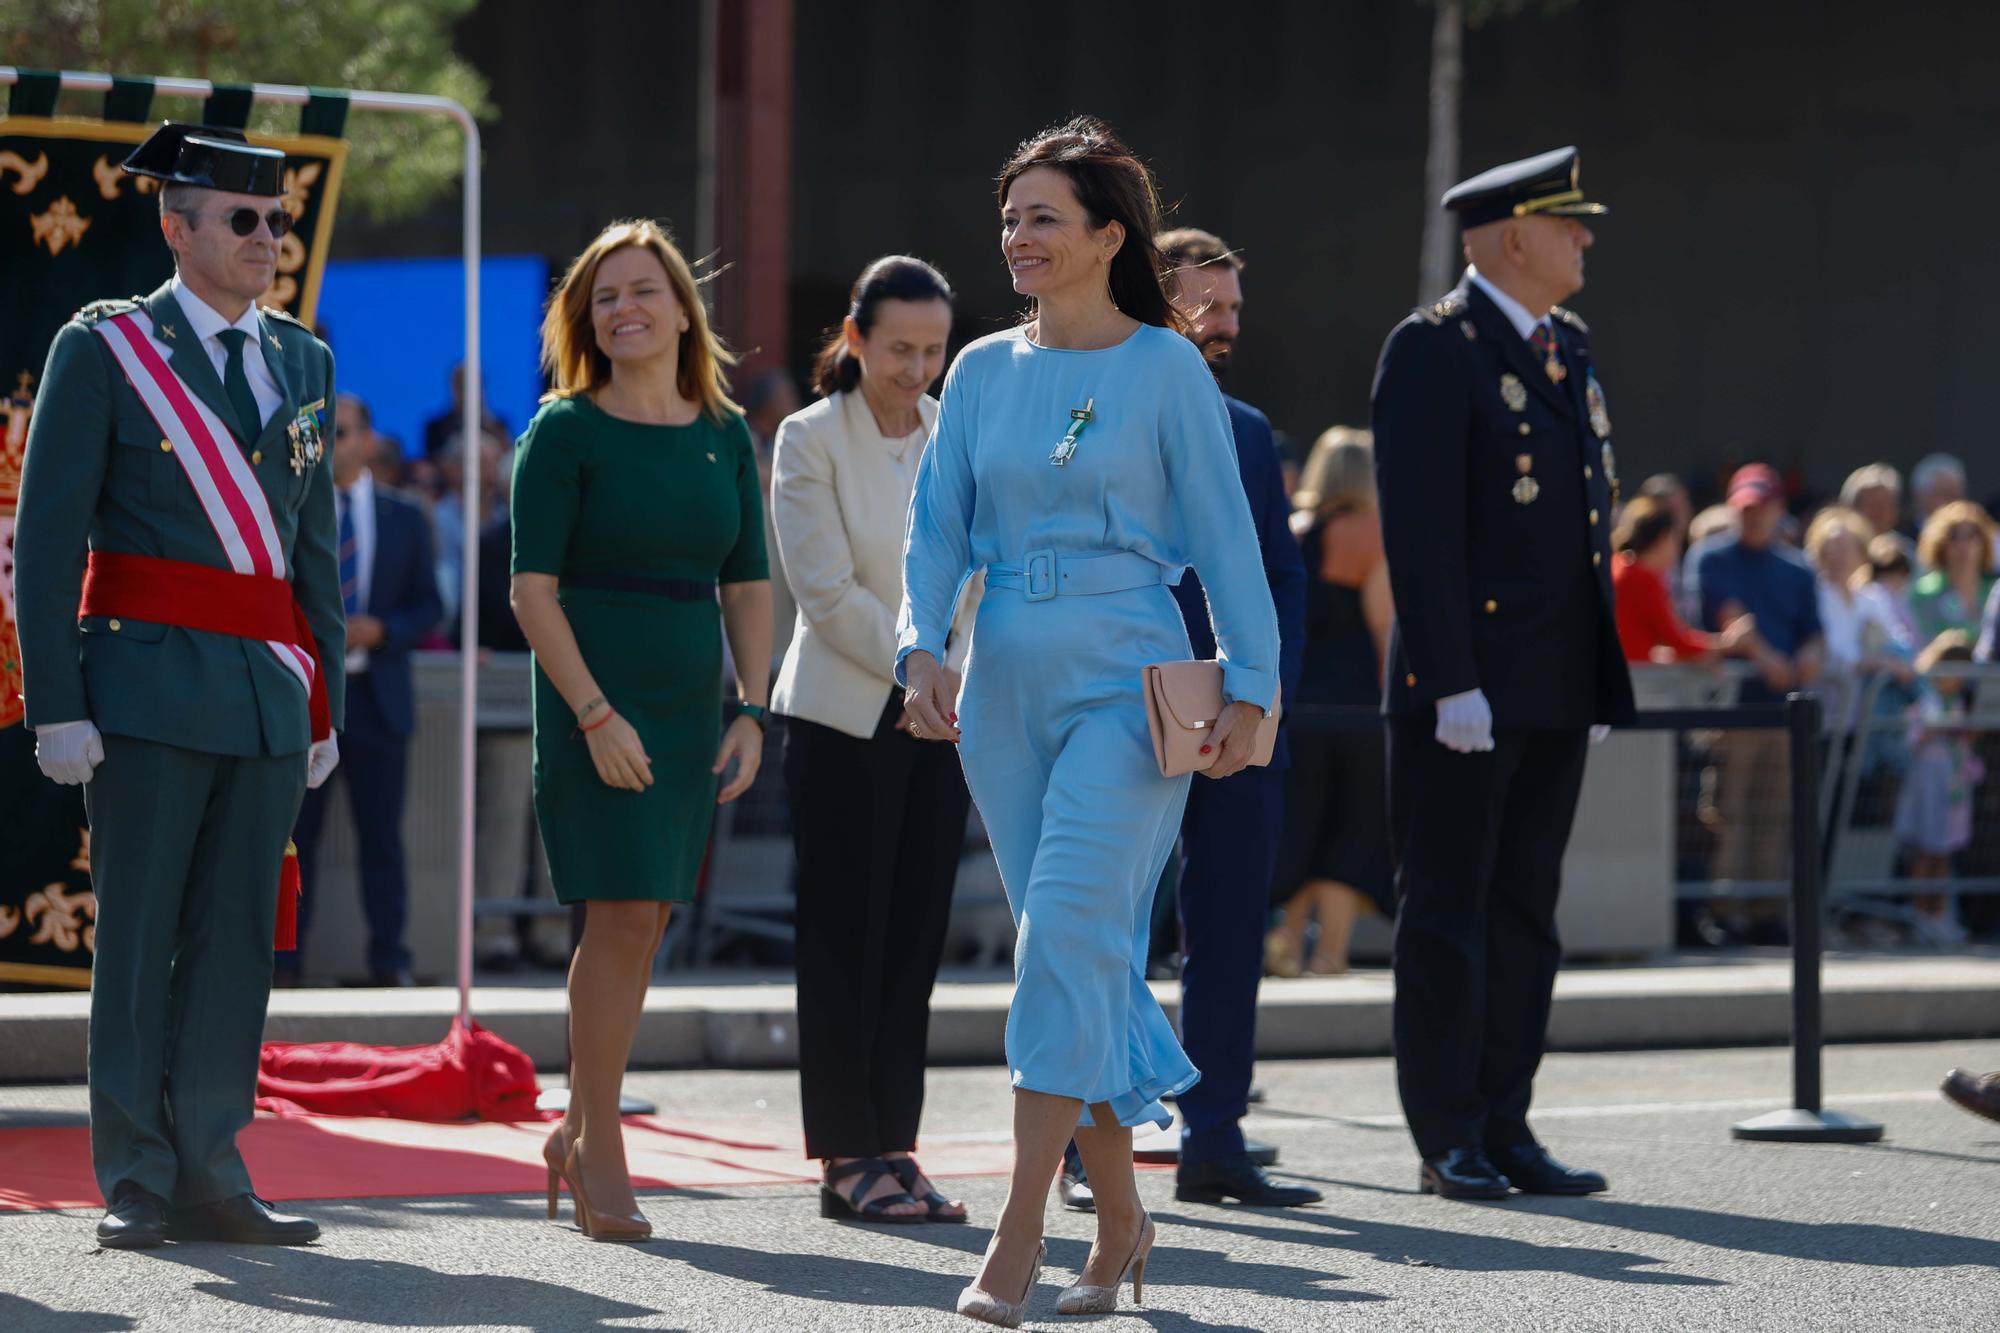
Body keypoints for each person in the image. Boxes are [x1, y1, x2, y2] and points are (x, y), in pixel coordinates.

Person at [898, 117, 1280, 1323]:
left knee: (1061, 926)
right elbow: (937, 526)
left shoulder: (1165, 367)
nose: (1016, 237)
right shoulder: (977, 370)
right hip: (1002, 674)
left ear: (1109, 235)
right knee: (1078, 952)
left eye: (1042, 217)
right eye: (1009, 216)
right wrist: (919, 645)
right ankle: (1122, 1219)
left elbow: (1224, 536)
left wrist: (1253, 682)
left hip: (1130, 670)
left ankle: (1020, 1232)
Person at [13, 123, 343, 1247]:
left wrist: (322, 701)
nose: (268, 239)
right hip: (145, 686)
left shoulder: (303, 359)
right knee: (141, 932)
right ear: (177, 226)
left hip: (261, 693)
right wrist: (55, 699)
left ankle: (212, 1164)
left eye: (279, 220)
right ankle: (138, 1176)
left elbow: (316, 554)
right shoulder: (104, 350)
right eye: (243, 220)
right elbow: (46, 543)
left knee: (237, 938)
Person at [1371, 146, 1634, 1202]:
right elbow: (1420, 529)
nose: (1585, 239)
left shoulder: (1565, 344)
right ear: (1511, 237)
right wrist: (1449, 678)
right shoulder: (1435, 349)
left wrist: (1588, 665)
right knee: (1445, 909)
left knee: (1526, 909)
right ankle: (1447, 1133)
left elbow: (1580, 527)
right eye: (1568, 224)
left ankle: (1506, 1119)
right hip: (1464, 689)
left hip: (1550, 681)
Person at [510, 219, 773, 1242]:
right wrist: (592, 712)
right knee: (618, 913)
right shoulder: (563, 430)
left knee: (648, 918)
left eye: (641, 291)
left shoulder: (722, 431)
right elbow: (532, 594)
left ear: (679, 308)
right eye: (603, 297)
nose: (624, 308)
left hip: (685, 701)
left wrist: (749, 707)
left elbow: (746, 585)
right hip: (592, 695)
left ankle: (577, 1129)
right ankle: (598, 1139)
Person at [769, 255, 979, 1223]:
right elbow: (822, 588)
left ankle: (895, 1142)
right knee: (843, 940)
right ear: (854, 339)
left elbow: (977, 573)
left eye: (933, 350)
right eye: (898, 347)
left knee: (911, 944)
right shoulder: (808, 438)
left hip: (939, 718)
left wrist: (949, 675)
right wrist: (916, 667)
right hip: (845, 716)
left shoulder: (954, 431)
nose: (916, 368)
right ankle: (844, 1153)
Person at [279, 393, 442, 987]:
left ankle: (390, 961)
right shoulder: (295, 510)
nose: (329, 445)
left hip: (378, 700)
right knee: (298, 838)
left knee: (382, 839)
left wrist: (385, 630)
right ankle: (287, 963)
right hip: (310, 701)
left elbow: (430, 604)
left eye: (341, 432)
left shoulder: (405, 515)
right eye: (322, 434)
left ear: (369, 440)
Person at [1268, 427, 1394, 977]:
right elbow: (1384, 630)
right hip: (1358, 706)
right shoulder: (1373, 534)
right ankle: (1330, 954)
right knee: (1352, 830)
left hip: (1301, 703)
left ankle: (1288, 941)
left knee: (1302, 824)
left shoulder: (1294, 529)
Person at [1690, 464, 1823, 932]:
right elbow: (1728, 619)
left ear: (1778, 510)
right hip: (1732, 711)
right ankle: (1725, 912)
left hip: (1784, 713)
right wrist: (1765, 656)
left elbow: (1813, 632)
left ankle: (1768, 911)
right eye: (1745, 507)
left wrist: (1808, 655)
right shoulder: (1711, 558)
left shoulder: (1797, 567)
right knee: (1729, 813)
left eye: (1762, 507)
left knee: (1775, 815)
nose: (1753, 516)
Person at [1896, 631, 1984, 945]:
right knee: (1925, 853)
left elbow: (1963, 744)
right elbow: (1912, 739)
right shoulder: (1926, 702)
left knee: (1944, 854)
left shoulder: (1959, 704)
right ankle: (1920, 915)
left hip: (1951, 789)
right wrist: (1936, 730)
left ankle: (1940, 915)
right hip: (1927, 787)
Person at [1611, 495, 1759, 665]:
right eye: (1675, 540)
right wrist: (1727, 643)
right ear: (1662, 539)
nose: (1678, 549)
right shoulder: (1640, 578)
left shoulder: (1622, 567)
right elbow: (1677, 642)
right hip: (1635, 681)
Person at [1909, 501, 1997, 642]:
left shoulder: (1994, 592)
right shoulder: (1923, 594)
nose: (1963, 546)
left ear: (1984, 542)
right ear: (1940, 544)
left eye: (1971, 536)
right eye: (1954, 537)